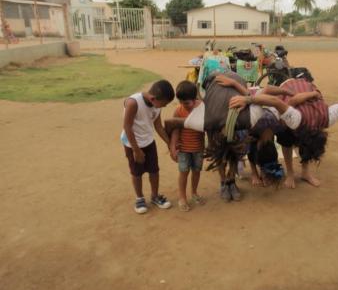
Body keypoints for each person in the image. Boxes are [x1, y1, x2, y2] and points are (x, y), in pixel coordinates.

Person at [165, 72, 299, 201]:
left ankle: (231, 181)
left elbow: (253, 94)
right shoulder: (208, 120)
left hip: (234, 86)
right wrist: (171, 144)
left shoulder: (247, 119)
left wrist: (236, 86)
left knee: (234, 155)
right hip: (215, 90)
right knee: (219, 153)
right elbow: (170, 123)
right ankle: (224, 182)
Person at [270, 78, 338, 189]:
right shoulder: (294, 119)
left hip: (306, 95)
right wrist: (312, 94)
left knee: (309, 146)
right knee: (285, 138)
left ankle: (305, 172)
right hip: (289, 88)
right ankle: (290, 173)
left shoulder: (328, 117)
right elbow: (292, 101)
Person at [120, 80, 175, 214]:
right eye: (164, 104)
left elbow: (158, 126)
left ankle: (155, 196)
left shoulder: (157, 106)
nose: (165, 106)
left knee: (154, 170)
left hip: (148, 142)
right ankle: (139, 198)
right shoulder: (133, 103)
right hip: (132, 143)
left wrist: (169, 143)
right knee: (137, 172)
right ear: (153, 98)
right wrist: (136, 151)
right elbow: (127, 127)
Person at [170, 81, 205, 212]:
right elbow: (175, 130)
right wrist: (173, 146)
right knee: (183, 172)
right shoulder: (179, 111)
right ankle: (182, 197)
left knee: (196, 171)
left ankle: (194, 193)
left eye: (186, 103)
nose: (183, 106)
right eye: (181, 102)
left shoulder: (202, 108)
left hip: (198, 148)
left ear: (194, 98)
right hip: (184, 149)